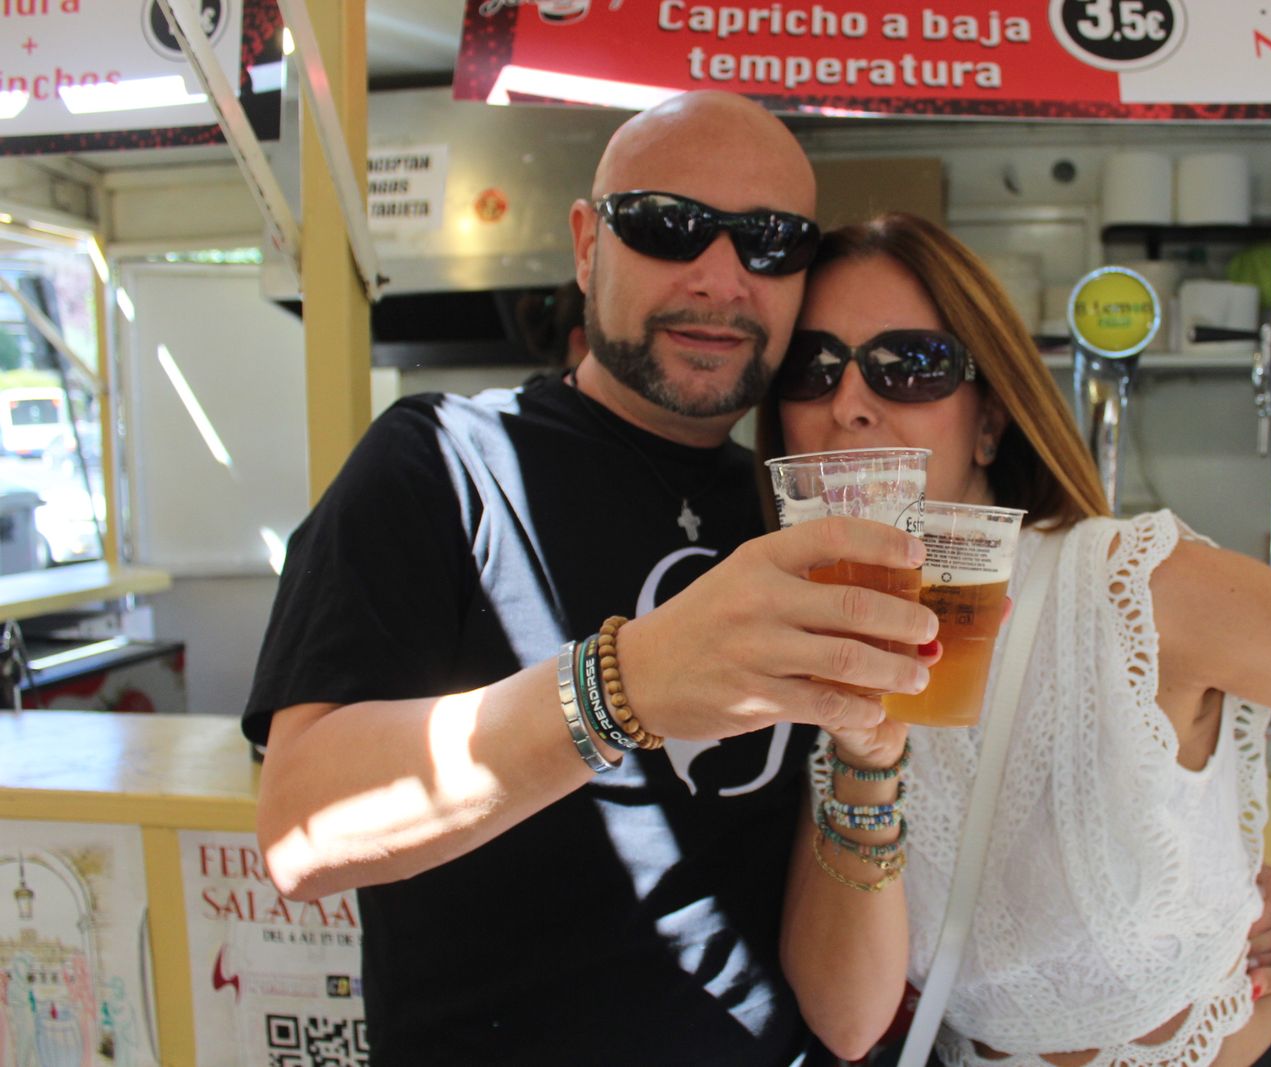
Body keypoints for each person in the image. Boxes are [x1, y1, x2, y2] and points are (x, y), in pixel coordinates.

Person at [245, 92, 940, 1066]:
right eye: (668, 225)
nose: (720, 274)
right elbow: (300, 831)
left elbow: (852, 983)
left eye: (771, 243)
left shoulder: (799, 511)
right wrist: (627, 684)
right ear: (586, 243)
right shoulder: (442, 462)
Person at [762, 214, 1271, 1067]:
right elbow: (845, 1013)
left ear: (989, 421)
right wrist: (862, 758)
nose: (848, 403)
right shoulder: (812, 636)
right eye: (811, 367)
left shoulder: (1134, 588)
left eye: (910, 365)